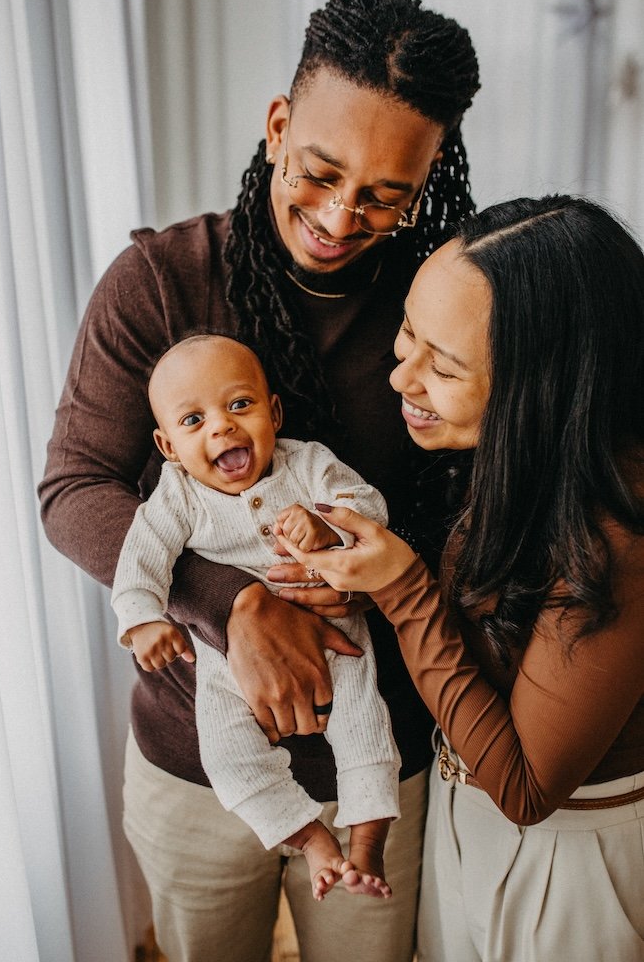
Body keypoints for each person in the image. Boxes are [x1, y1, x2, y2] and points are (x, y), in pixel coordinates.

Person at [39, 0, 480, 962]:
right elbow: (74, 488)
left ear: (426, 178)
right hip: (196, 764)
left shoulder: (437, 298)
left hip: (377, 754)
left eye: (383, 195)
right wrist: (229, 601)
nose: (337, 215)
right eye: (320, 171)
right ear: (278, 123)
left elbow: (477, 496)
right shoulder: (160, 281)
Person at [274, 195, 644, 962]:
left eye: (440, 365)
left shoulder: (617, 533)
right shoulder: (520, 456)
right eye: (408, 333)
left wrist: (405, 591)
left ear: (544, 386)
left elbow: (524, 789)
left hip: (567, 860)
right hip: (460, 806)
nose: (400, 375)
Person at [112, 333, 399, 902]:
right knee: (226, 755)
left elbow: (369, 507)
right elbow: (140, 558)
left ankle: (366, 845)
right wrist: (144, 618)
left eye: (238, 405)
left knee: (366, 730)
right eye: (193, 420)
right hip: (223, 660)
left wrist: (328, 528)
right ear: (167, 445)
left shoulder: (309, 464)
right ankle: (313, 838)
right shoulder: (179, 496)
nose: (220, 427)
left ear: (274, 412)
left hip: (338, 637)